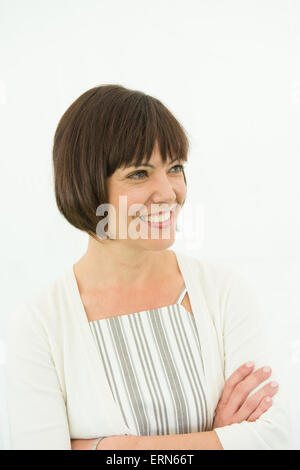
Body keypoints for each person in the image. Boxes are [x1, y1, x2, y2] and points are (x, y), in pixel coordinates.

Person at [4, 84, 291, 450]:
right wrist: (218, 439)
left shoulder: (223, 292)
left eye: (174, 168)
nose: (169, 193)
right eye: (140, 173)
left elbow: (273, 437)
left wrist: (105, 448)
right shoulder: (39, 324)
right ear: (86, 182)